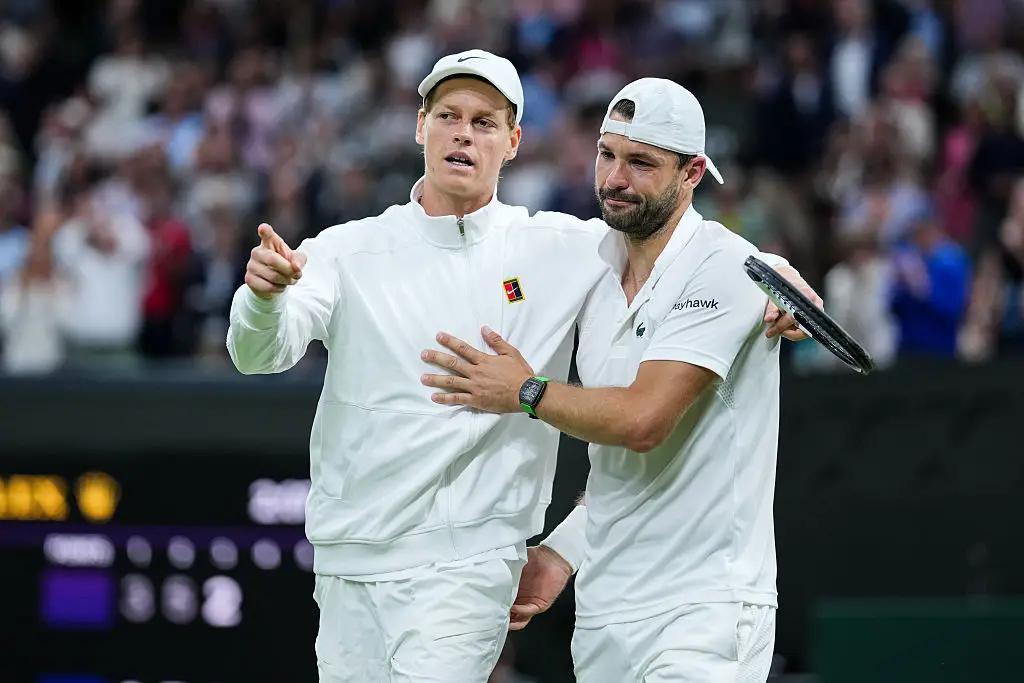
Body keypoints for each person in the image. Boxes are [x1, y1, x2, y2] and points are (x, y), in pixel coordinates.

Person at [227, 51, 815, 682]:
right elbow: (260, 353)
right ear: (419, 126)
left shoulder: (563, 248)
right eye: (449, 115)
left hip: (468, 568)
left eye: (484, 122)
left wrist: (775, 280)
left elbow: (702, 259)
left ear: (512, 143)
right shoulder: (346, 249)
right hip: (347, 561)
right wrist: (261, 300)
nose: (462, 132)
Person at [420, 78, 803, 682]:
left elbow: (642, 423)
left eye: (641, 163)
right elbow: (621, 465)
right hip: (605, 614)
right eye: (607, 155)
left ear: (692, 173)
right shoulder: (593, 265)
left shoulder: (728, 270)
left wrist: (524, 391)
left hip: (705, 609)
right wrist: (564, 551)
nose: (615, 179)